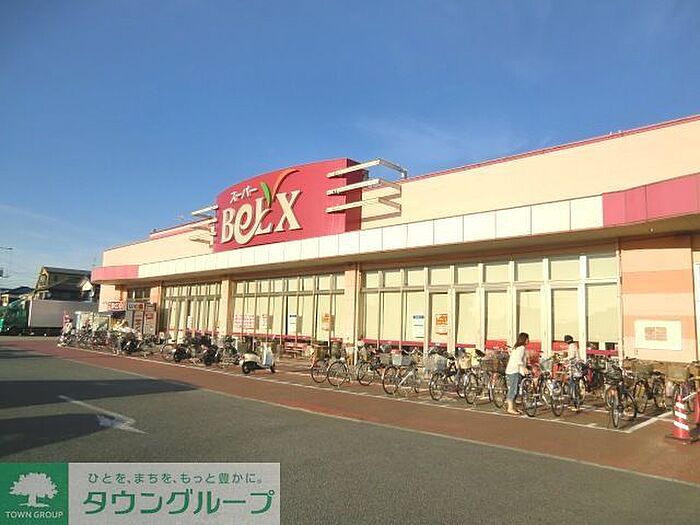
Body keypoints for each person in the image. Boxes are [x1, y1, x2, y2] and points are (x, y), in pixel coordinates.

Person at [505, 332, 529, 415]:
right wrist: (524, 368)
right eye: (527, 339)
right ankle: (510, 408)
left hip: (513, 370)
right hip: (514, 370)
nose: (528, 340)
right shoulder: (521, 348)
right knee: (513, 389)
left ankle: (514, 407)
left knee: (516, 389)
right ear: (524, 339)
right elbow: (518, 360)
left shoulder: (516, 348)